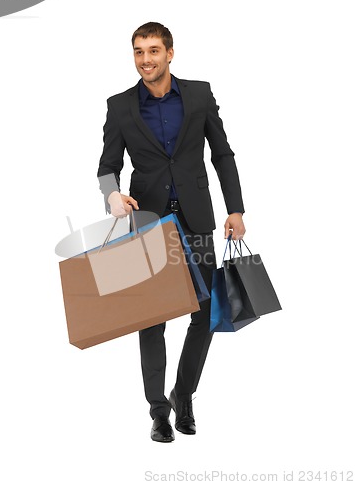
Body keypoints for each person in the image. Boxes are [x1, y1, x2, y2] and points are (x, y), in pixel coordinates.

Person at [97, 22, 246, 443]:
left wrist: (235, 208)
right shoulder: (121, 105)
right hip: (149, 223)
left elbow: (222, 153)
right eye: (139, 52)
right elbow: (107, 166)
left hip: (197, 218)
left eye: (154, 51)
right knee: (152, 320)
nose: (146, 59)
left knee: (204, 314)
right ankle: (159, 411)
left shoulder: (198, 94)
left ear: (170, 53)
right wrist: (112, 196)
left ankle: (184, 394)